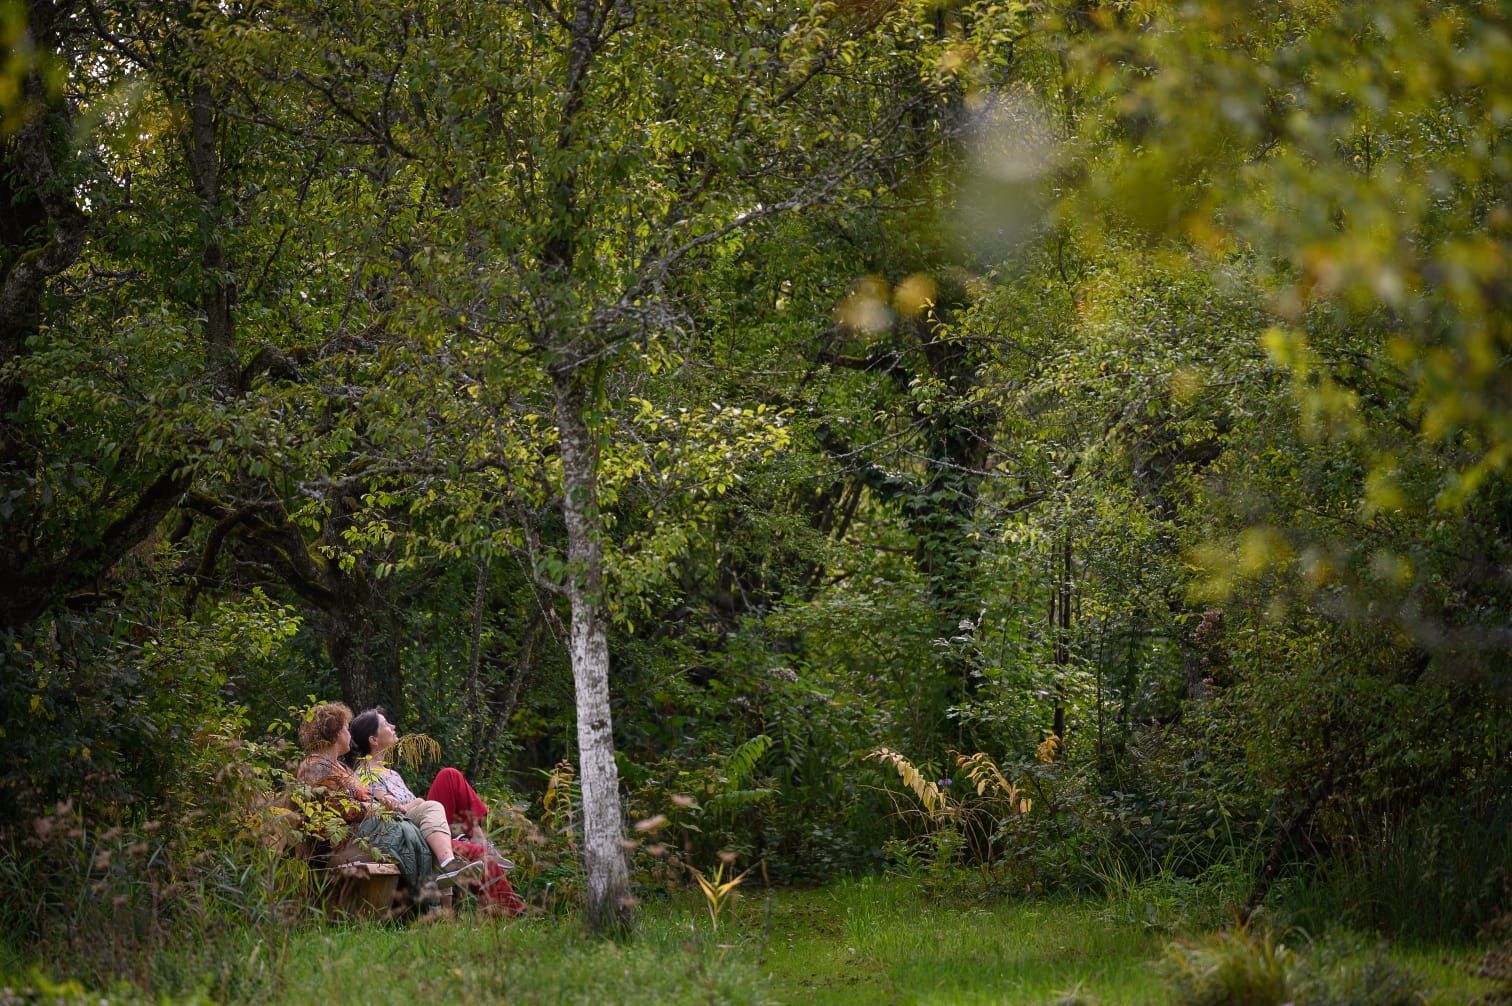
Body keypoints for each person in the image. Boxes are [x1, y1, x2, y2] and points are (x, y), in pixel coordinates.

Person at [347, 708, 524, 915]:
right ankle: (512, 911)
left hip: (428, 824)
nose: (393, 726)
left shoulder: (391, 772)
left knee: (450, 776)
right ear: (374, 740)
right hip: (408, 830)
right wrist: (419, 802)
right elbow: (393, 810)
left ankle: (476, 840)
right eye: (386, 724)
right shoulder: (365, 774)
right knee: (478, 854)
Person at [294, 702, 477, 897]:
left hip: (356, 836)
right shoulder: (315, 766)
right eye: (346, 729)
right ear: (335, 733)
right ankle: (426, 899)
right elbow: (343, 809)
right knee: (408, 830)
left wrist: (381, 800)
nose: (350, 735)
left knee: (413, 828)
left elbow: (363, 798)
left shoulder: (338, 767)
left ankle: (438, 894)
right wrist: (378, 807)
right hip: (337, 846)